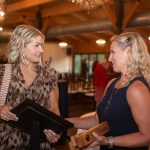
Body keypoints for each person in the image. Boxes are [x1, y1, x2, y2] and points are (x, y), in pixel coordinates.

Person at [67, 32, 150, 150]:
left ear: (128, 51)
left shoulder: (136, 89)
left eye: (113, 52)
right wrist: (65, 122)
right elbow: (97, 119)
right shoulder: (112, 83)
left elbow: (147, 137)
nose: (109, 59)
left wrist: (109, 141)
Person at [0, 25, 61, 149]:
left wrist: (56, 131)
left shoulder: (49, 75)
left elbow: (55, 109)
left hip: (40, 141)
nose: (41, 50)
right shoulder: (3, 73)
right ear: (21, 45)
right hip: (9, 141)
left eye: (42, 46)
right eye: (36, 45)